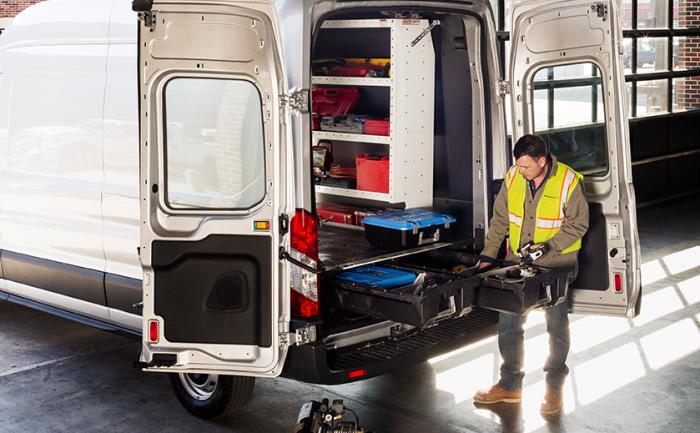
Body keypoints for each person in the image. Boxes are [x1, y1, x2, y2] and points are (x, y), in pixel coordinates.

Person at [473, 134, 589, 416]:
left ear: (542, 161)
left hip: (556, 265)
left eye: (526, 167)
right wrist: (488, 256)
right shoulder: (514, 177)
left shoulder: (568, 181)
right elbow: (501, 219)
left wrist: (549, 246)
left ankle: (554, 387)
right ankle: (509, 385)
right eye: (518, 166)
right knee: (508, 320)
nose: (521, 171)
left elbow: (578, 224)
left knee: (556, 325)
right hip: (518, 263)